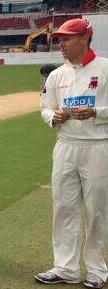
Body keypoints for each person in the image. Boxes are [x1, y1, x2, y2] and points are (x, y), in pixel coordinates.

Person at [35, 19, 108, 289]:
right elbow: (44, 107)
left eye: (66, 39)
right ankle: (65, 268)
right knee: (64, 207)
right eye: (59, 39)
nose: (60, 44)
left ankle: (97, 269)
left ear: (84, 38)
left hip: (98, 145)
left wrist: (96, 113)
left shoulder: (105, 68)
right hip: (65, 145)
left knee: (97, 210)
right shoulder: (56, 75)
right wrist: (51, 117)